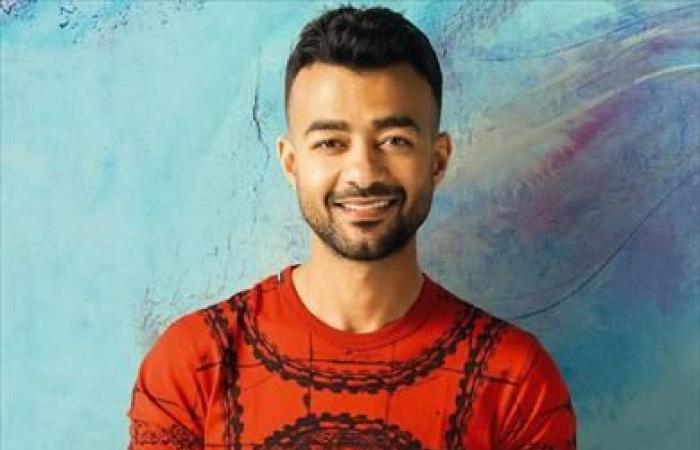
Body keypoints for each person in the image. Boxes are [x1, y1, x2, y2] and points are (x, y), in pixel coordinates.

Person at [126, 5, 576, 450]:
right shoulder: (193, 365)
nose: (362, 173)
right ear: (291, 162)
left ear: (437, 161)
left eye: (394, 141)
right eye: (330, 143)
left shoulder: (516, 382)